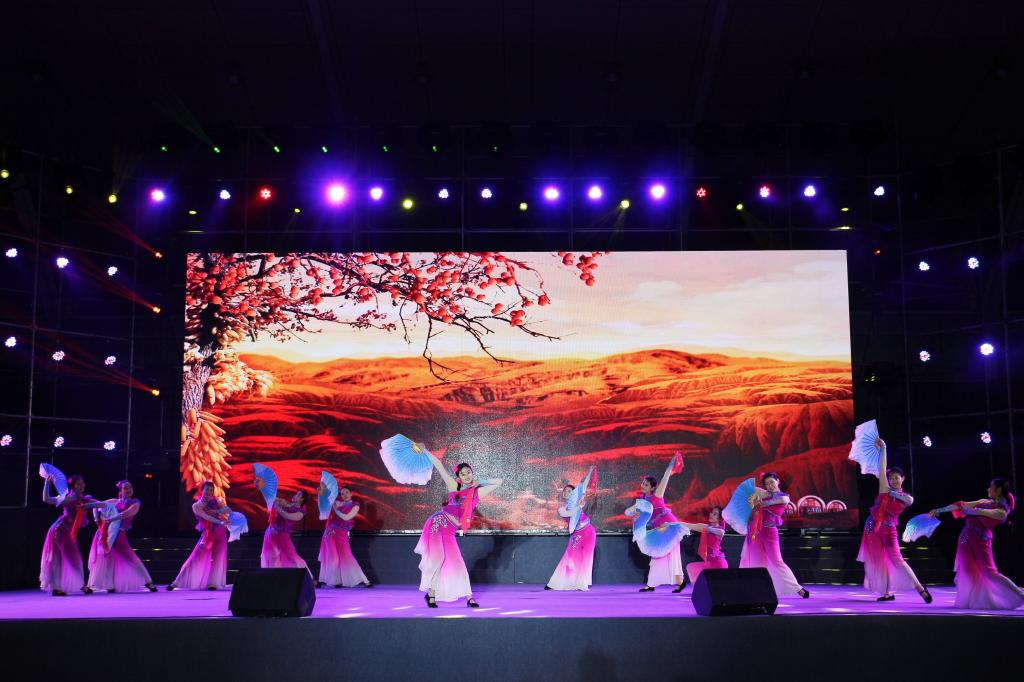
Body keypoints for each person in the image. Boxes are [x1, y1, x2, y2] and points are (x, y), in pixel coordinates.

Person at [415, 453, 502, 607]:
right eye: (463, 474)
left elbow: (499, 482)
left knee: (458, 563)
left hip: (449, 532)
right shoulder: (453, 486)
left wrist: (480, 482)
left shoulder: (477, 492)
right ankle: (431, 595)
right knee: (437, 559)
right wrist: (425, 451)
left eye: (469, 472)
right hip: (437, 524)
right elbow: (438, 465)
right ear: (459, 477)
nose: (467, 476)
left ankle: (469, 598)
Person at [856, 438, 931, 603]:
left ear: (903, 478)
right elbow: (882, 468)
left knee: (898, 561)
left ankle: (920, 588)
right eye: (891, 478)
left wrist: (893, 493)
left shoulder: (906, 497)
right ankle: (886, 593)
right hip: (872, 530)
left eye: (897, 478)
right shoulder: (884, 489)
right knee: (878, 562)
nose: (894, 480)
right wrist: (883, 449)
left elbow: (909, 501)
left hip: (889, 531)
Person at [930, 477, 1023, 610]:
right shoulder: (984, 502)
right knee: (966, 569)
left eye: (991, 487)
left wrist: (969, 509)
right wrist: (939, 510)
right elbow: (961, 505)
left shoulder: (1001, 512)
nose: (988, 489)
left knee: (990, 572)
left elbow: (978, 511)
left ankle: (1020, 595)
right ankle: (970, 601)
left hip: (981, 540)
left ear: (998, 490)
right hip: (965, 538)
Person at [739, 471, 810, 598]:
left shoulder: (783, 497)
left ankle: (797, 588)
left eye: (772, 482)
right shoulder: (764, 495)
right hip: (755, 532)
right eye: (767, 484)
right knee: (756, 561)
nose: (770, 485)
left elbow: (779, 500)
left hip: (770, 533)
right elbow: (748, 489)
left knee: (777, 561)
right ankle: (756, 590)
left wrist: (764, 502)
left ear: (778, 481)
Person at [626, 454, 684, 592]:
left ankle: (679, 583)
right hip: (659, 530)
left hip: (670, 527)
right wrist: (633, 514)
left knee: (673, 557)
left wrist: (672, 463)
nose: (643, 486)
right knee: (656, 556)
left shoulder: (657, 495)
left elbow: (666, 477)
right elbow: (627, 511)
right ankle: (651, 584)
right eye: (643, 483)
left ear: (652, 488)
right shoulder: (642, 502)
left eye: (646, 484)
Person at [40, 474, 106, 596]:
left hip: (70, 533)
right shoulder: (68, 498)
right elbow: (47, 499)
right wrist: (47, 483)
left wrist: (89, 505)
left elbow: (102, 504)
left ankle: (80, 584)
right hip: (59, 530)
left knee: (75, 559)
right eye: (78, 484)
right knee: (57, 559)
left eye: (82, 483)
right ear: (73, 486)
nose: (82, 486)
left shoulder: (84, 499)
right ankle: (56, 587)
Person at [86, 480, 157, 593]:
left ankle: (149, 582)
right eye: (126, 488)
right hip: (106, 533)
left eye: (130, 487)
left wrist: (111, 519)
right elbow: (97, 505)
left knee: (131, 557)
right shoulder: (113, 501)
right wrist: (96, 519)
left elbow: (126, 513)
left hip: (119, 535)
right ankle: (107, 585)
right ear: (120, 491)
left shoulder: (135, 503)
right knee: (104, 559)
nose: (129, 490)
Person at [167, 481, 230, 591]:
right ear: (202, 490)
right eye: (207, 490)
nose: (209, 492)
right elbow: (207, 517)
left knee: (218, 558)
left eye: (211, 490)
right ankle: (176, 582)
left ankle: (213, 583)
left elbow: (227, 509)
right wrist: (220, 521)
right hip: (208, 534)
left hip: (220, 532)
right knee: (195, 557)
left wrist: (216, 511)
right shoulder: (196, 506)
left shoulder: (216, 501)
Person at [546, 467, 597, 591]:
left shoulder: (578, 501)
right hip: (576, 534)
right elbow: (570, 514)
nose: (566, 492)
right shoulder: (562, 509)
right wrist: (579, 507)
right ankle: (556, 583)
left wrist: (590, 471)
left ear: (574, 494)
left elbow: (584, 485)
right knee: (570, 558)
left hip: (589, 531)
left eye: (569, 491)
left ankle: (581, 583)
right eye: (565, 491)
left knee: (586, 558)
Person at [317, 487, 372, 588]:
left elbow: (346, 517)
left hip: (342, 534)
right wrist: (321, 494)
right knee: (332, 558)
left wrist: (335, 509)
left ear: (351, 493)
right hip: (330, 533)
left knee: (347, 556)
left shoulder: (355, 505)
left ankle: (364, 580)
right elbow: (323, 508)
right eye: (342, 494)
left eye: (347, 492)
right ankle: (332, 580)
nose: (345, 495)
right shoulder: (338, 503)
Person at [260, 490, 310, 573]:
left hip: (282, 535)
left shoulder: (300, 513)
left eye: (298, 495)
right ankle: (270, 575)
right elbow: (272, 499)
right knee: (270, 556)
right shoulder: (288, 504)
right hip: (271, 532)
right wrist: (264, 490)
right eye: (296, 494)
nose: (295, 495)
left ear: (302, 499)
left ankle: (304, 575)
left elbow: (287, 516)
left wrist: (278, 507)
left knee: (291, 556)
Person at [679, 506, 728, 585]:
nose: (711, 515)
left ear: (719, 519)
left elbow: (705, 528)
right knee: (691, 567)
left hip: (718, 564)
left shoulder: (720, 531)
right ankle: (697, 588)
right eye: (712, 512)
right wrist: (675, 523)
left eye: (715, 514)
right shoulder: (706, 527)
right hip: (709, 563)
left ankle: (698, 588)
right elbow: (691, 525)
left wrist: (704, 527)